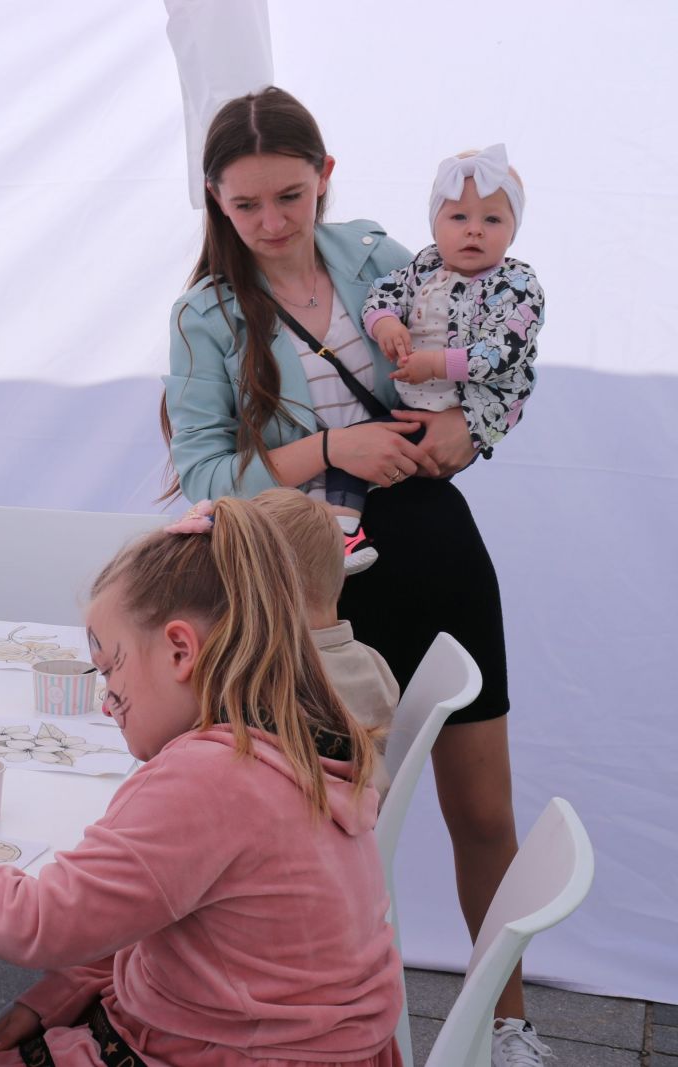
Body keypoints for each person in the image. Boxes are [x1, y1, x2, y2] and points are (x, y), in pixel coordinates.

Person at [162, 87, 547, 1064]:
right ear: (214, 200)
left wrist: (470, 432)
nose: (270, 223)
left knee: (483, 811)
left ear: (324, 177)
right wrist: (335, 446)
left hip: (430, 549)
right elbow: (203, 475)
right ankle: (317, 1036)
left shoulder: (383, 257)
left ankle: (507, 1029)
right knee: (312, 836)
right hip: (297, 588)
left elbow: (504, 367)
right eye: (245, 205)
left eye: (290, 196)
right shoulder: (205, 315)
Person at [0, 498, 401, 1066]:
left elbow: (38, 921)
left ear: (181, 651)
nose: (106, 699)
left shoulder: (211, 778)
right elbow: (162, 908)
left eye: (112, 668)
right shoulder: (298, 740)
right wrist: (68, 989)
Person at [366, 144, 543, 456]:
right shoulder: (425, 267)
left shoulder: (515, 286)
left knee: (388, 460)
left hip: (472, 413)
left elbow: (503, 352)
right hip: (408, 402)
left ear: (513, 230)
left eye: (492, 220)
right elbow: (384, 292)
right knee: (366, 454)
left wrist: (437, 364)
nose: (474, 230)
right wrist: (386, 323)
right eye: (459, 217)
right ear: (435, 224)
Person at [252, 488, 398, 792]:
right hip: (366, 809)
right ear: (342, 578)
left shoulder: (268, 674)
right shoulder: (375, 664)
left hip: (298, 810)